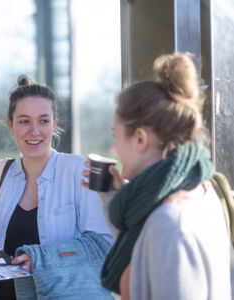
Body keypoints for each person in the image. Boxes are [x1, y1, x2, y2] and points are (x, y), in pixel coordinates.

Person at [82, 52, 231, 299]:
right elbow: (142, 249)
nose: (113, 148)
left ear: (140, 138)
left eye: (116, 135)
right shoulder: (200, 189)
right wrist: (113, 197)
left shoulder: (171, 222)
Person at [0, 75, 113, 300]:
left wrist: (42, 259)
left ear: (54, 124)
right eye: (24, 121)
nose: (34, 131)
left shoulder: (77, 170)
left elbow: (103, 246)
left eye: (43, 121)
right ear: (11, 125)